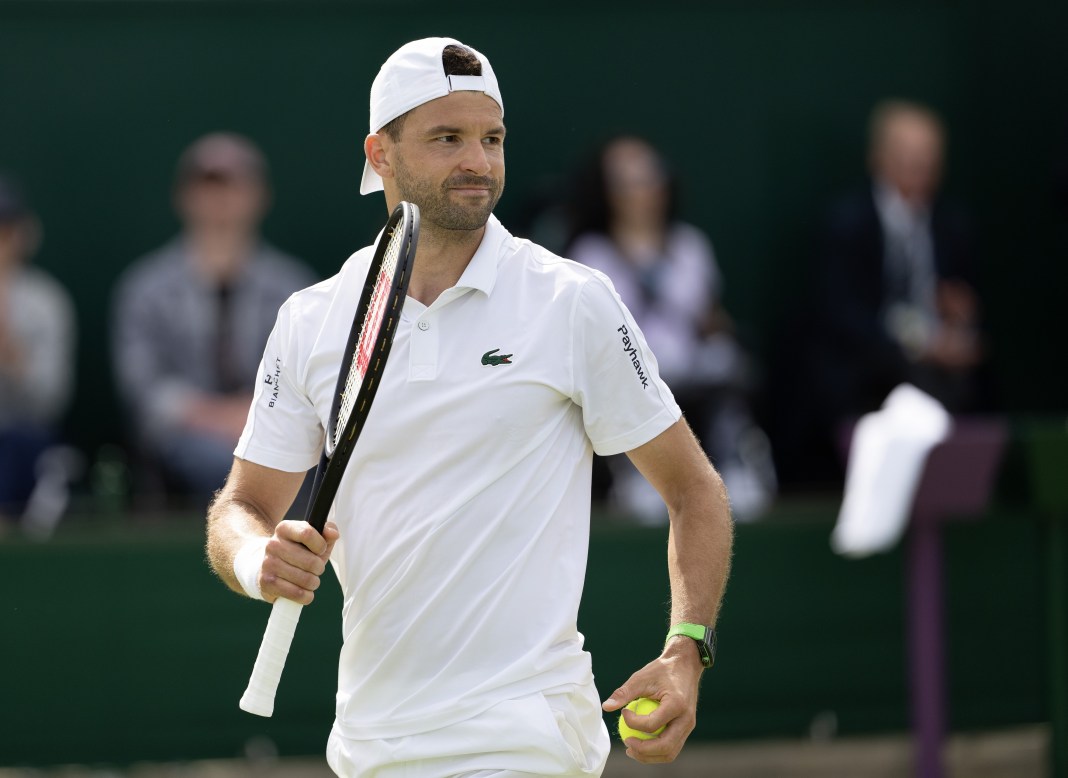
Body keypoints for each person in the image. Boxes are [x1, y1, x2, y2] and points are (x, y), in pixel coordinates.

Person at [205, 38, 733, 777]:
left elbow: (694, 490)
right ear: (380, 154)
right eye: (447, 138)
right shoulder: (311, 319)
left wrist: (686, 652)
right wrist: (259, 558)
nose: (478, 163)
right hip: (372, 746)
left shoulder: (573, 301)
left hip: (528, 740)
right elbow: (240, 507)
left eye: (491, 139)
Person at [772, 100, 987, 488]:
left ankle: (954, 496)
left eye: (928, 159)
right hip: (869, 365)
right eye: (908, 157)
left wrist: (959, 320)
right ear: (879, 158)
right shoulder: (846, 224)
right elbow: (841, 317)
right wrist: (918, 344)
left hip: (936, 369)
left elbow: (961, 305)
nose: (920, 169)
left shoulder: (952, 226)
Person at [566, 135, 775, 521]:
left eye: (650, 177)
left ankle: (734, 465)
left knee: (727, 362)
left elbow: (711, 320)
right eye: (627, 181)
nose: (643, 190)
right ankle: (633, 475)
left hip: (691, 376)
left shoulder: (690, 247)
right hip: (627, 378)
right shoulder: (589, 253)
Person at [111, 133, 317, 505]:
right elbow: (144, 391)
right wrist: (221, 418)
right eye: (207, 187)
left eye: (233, 187)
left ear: (259, 196)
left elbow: (311, 378)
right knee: (217, 461)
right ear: (184, 198)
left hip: (277, 429)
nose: (220, 201)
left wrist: (257, 415)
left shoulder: (295, 286)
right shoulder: (145, 288)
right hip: (186, 440)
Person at [0, 175, 76, 529]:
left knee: (24, 444)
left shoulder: (45, 301)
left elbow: (47, 405)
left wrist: (11, 350)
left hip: (19, 448)